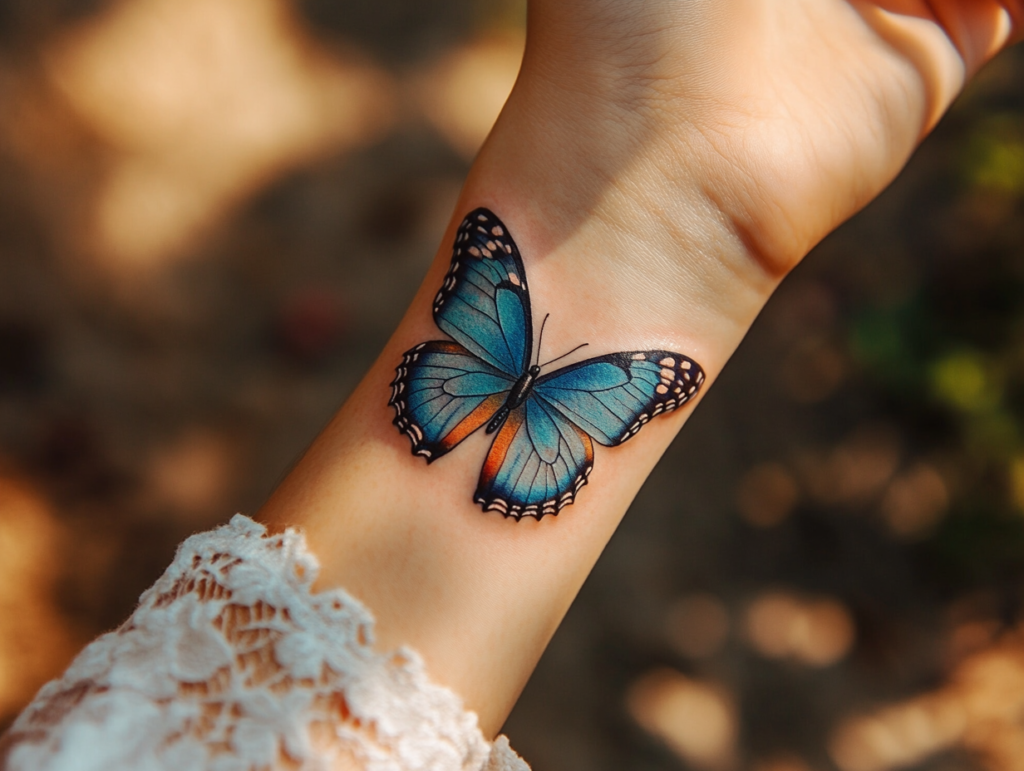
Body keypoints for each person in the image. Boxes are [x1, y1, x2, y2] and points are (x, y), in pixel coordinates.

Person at [2, 2, 1021, 769]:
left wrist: (666, 203)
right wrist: (660, 203)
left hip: (483, 384)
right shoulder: (588, 378)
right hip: (535, 427)